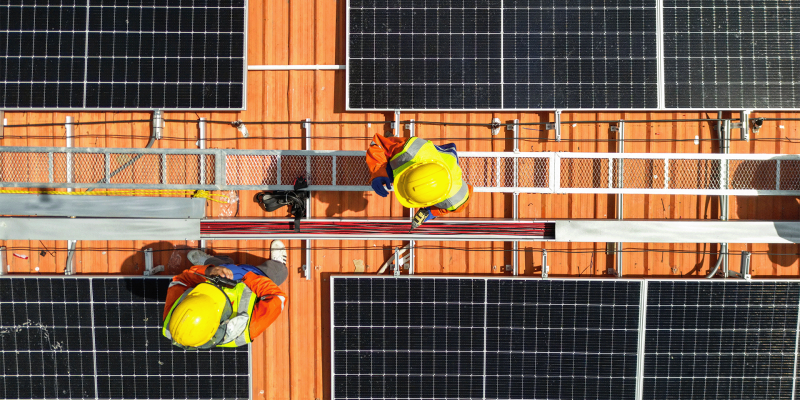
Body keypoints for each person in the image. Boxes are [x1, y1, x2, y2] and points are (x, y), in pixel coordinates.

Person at [162, 240, 288, 349]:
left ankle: (212, 262)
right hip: (252, 284)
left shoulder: (174, 321)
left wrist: (208, 271)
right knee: (279, 273)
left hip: (216, 276)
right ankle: (278, 264)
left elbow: (180, 280)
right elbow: (277, 297)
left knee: (217, 265)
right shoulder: (247, 328)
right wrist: (246, 276)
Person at [366, 133, 473, 228]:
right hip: (417, 156)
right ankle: (392, 144)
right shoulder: (411, 150)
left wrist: (431, 212)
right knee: (391, 160)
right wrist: (378, 171)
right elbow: (378, 143)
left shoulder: (456, 198)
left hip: (446, 164)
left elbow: (458, 204)